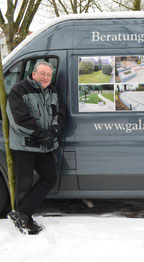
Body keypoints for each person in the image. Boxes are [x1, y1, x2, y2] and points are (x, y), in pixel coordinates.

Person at [6, 61, 66, 235]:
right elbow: (19, 119)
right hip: (25, 146)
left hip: (45, 145)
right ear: (34, 74)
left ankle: (21, 213)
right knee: (23, 184)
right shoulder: (19, 90)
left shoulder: (53, 91)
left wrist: (54, 131)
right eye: (42, 74)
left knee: (49, 177)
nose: (46, 78)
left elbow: (60, 114)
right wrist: (42, 135)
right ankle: (25, 218)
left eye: (49, 75)